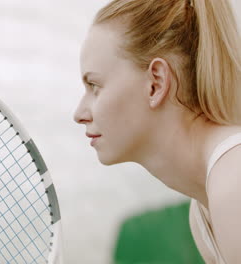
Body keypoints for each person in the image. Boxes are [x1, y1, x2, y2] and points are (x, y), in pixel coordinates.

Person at [73, 0, 241, 263]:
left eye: (95, 85)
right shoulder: (203, 212)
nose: (79, 114)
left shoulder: (233, 185)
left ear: (156, 83)